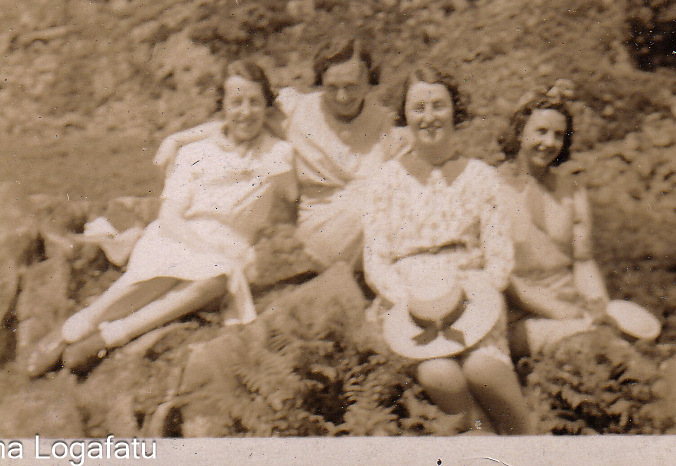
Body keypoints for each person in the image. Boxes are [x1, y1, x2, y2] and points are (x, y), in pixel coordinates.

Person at [27, 60, 297, 376]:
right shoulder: (196, 152)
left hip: (232, 247)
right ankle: (74, 329)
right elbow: (170, 217)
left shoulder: (277, 154)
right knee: (154, 278)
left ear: (267, 104)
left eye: (254, 102)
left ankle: (112, 335)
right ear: (221, 105)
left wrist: (181, 136)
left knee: (216, 276)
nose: (246, 112)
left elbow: (293, 191)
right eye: (236, 102)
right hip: (178, 234)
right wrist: (181, 141)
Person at [362, 66, 535, 435]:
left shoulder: (481, 177)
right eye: (418, 108)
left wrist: (471, 298)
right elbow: (375, 262)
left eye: (438, 106)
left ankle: (530, 441)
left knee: (482, 368)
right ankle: (485, 444)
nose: (429, 117)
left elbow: (499, 259)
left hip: (474, 302)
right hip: (409, 308)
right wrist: (415, 302)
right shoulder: (385, 180)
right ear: (404, 115)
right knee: (437, 373)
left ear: (454, 110)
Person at [155, 33, 405, 271]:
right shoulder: (296, 110)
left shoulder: (383, 122)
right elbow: (239, 119)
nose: (341, 97)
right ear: (321, 81)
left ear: (368, 82)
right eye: (332, 87)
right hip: (322, 225)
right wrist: (176, 139)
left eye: (351, 86)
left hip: (369, 216)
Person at [496, 82, 611, 357]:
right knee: (588, 347)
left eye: (558, 135)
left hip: (573, 309)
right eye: (541, 131)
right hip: (520, 316)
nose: (549, 143)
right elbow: (502, 276)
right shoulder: (490, 188)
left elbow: (583, 261)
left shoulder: (572, 191)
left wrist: (599, 306)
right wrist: (559, 312)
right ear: (520, 131)